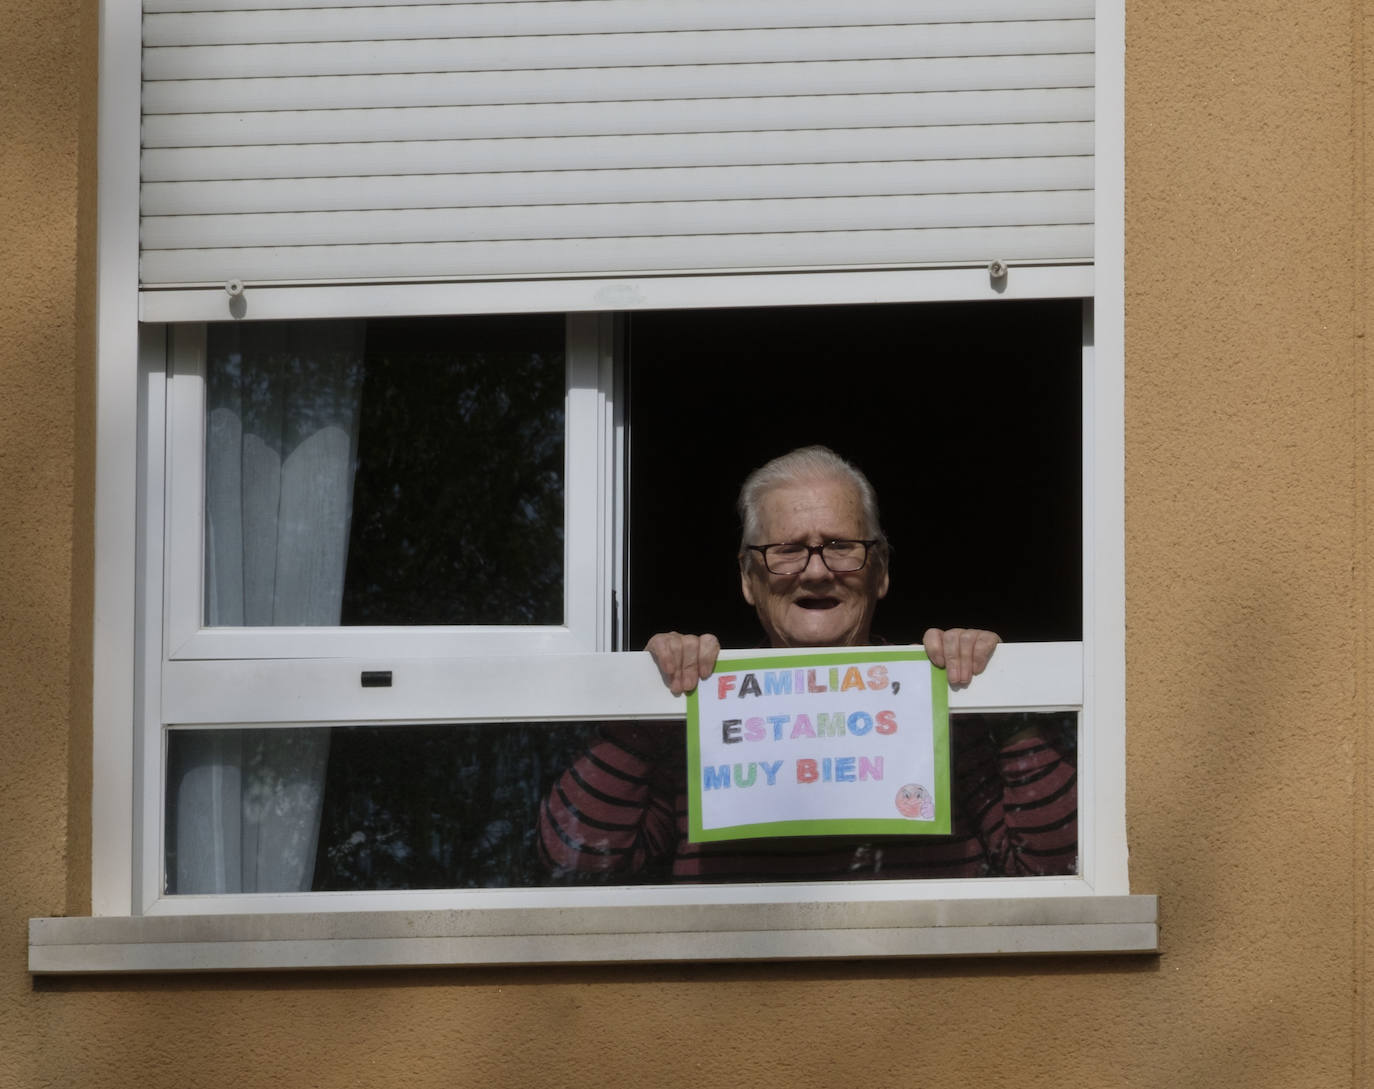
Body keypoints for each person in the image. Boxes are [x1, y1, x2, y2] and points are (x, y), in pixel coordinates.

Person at [539, 446, 1076, 881]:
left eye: (840, 545)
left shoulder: (945, 700)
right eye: (788, 550)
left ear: (880, 570)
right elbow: (580, 864)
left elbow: (1056, 867)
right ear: (749, 580)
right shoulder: (695, 711)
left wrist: (1003, 698)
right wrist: (644, 703)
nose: (816, 572)